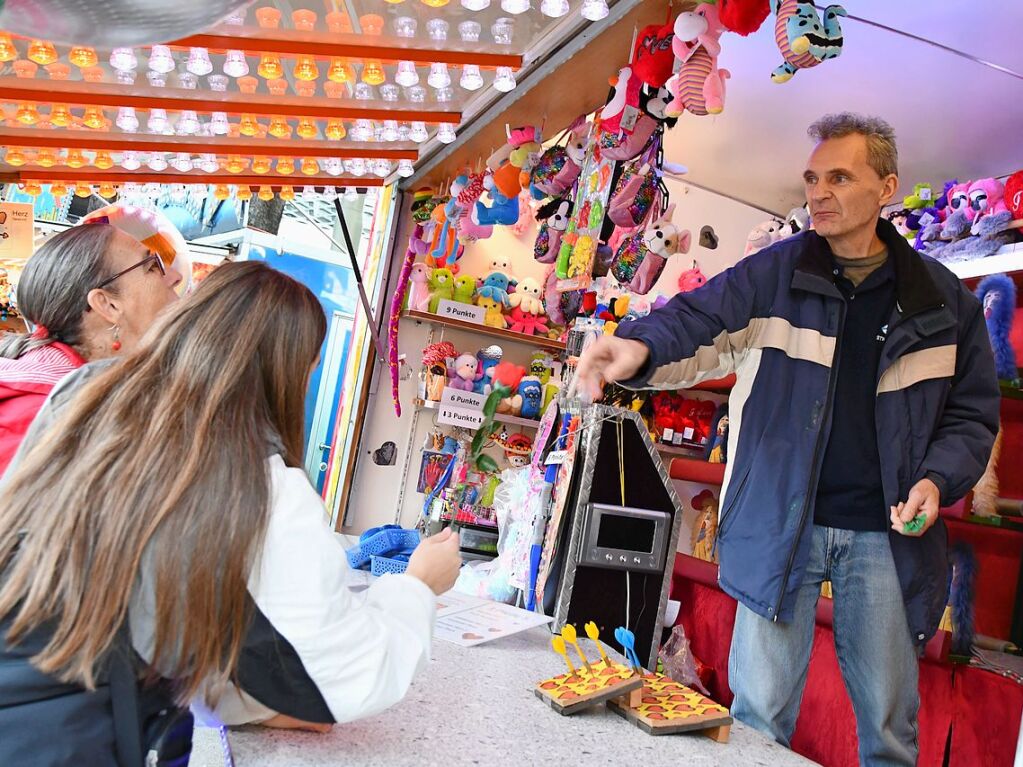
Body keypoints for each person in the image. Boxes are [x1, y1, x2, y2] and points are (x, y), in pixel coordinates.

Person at [575, 113, 999, 766]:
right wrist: (634, 346)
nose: (817, 191)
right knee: (755, 720)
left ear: (885, 187)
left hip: (887, 534)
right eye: (810, 177)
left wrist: (935, 479)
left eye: (838, 176)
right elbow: (696, 317)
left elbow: (971, 415)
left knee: (889, 730)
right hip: (781, 524)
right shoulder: (773, 273)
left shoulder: (943, 303)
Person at [0, 261, 462, 765]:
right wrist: (418, 586)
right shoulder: (259, 482)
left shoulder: (84, 392)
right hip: (77, 735)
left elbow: (154, 607)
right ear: (289, 368)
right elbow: (342, 676)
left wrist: (253, 701)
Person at [0, 215, 184, 474]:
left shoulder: (73, 401)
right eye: (152, 266)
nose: (175, 276)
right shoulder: (39, 418)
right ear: (107, 304)